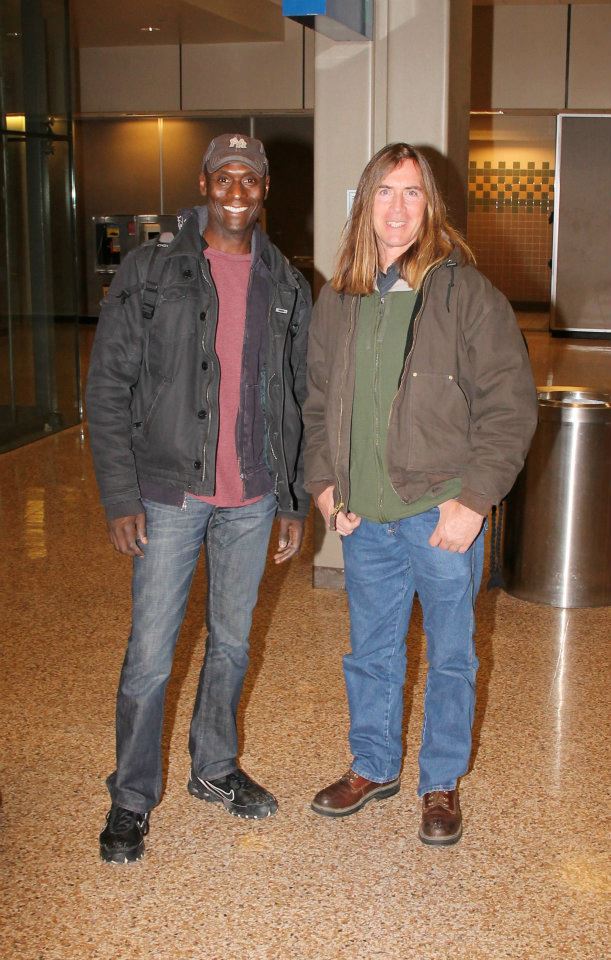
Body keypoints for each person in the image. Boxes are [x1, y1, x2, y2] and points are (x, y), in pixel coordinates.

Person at [303, 142, 537, 845]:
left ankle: (438, 782)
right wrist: (321, 485)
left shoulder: (464, 293)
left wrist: (475, 502)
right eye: (384, 192)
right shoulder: (339, 297)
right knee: (369, 654)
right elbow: (315, 402)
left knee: (451, 657)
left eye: (411, 193)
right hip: (364, 519)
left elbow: (509, 406)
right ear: (364, 204)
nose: (397, 208)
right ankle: (372, 765)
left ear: (428, 205)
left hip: (440, 516)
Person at [86, 134, 311, 863]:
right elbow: (108, 385)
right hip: (168, 494)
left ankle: (214, 769)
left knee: (234, 642)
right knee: (151, 654)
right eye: (225, 176)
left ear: (265, 187)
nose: (237, 188)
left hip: (251, 495)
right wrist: (121, 493)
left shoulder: (285, 281)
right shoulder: (153, 269)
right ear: (205, 182)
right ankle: (130, 796)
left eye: (250, 176)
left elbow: (297, 399)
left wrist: (290, 499)